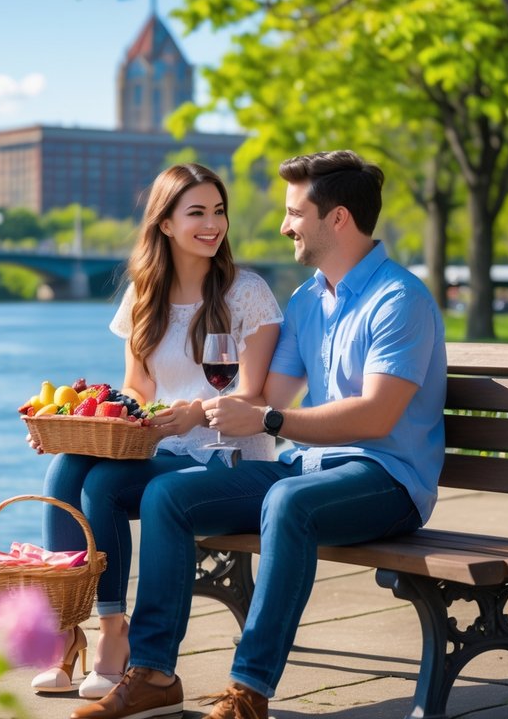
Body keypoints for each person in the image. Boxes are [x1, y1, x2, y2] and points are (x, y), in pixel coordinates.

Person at [72, 149, 447, 719]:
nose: (283, 225)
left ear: (337, 218)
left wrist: (269, 422)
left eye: (295, 212)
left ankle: (249, 691)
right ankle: (152, 672)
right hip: (311, 466)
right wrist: (200, 411)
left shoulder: (400, 300)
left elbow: (374, 418)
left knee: (287, 500)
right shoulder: (306, 300)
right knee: (166, 494)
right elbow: (266, 395)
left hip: (387, 479)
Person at [29, 163, 283, 699]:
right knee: (65, 467)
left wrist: (197, 411)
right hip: (162, 448)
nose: (212, 224)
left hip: (229, 457)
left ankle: (112, 640)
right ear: (165, 224)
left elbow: (257, 395)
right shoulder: (143, 296)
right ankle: (67, 629)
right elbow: (137, 393)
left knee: (103, 486)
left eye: (219, 212)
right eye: (197, 213)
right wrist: (69, 429)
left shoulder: (248, 293)